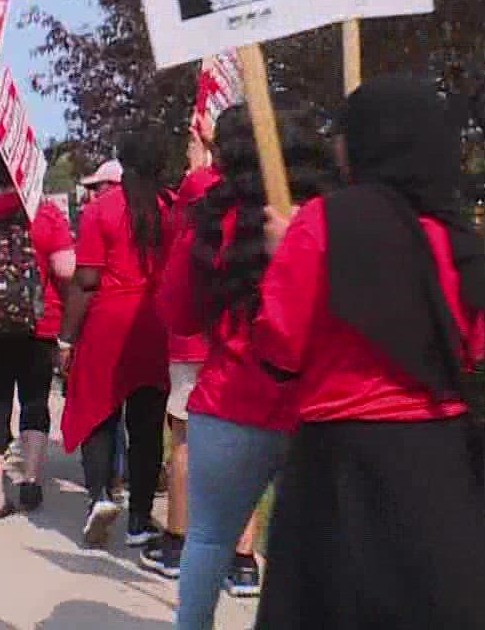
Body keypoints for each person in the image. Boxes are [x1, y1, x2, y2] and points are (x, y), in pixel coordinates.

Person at [251, 76, 485, 630]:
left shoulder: (320, 223)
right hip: (441, 463)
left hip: (341, 464)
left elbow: (279, 346)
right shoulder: (459, 232)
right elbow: (475, 347)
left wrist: (282, 260)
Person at [158, 106, 335, 627]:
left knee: (209, 537)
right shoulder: (329, 217)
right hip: (316, 407)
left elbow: (179, 314)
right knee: (309, 547)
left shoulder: (213, 221)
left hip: (230, 401)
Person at [60, 132, 176, 550]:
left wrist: (66, 339)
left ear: (122, 162)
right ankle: (140, 519)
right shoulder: (174, 209)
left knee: (99, 412)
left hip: (109, 322)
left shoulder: (101, 211)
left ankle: (100, 496)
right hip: (156, 322)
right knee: (147, 425)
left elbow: (86, 280)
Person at [0, 149, 77, 517]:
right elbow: (65, 269)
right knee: (34, 401)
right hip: (38, 325)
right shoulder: (47, 215)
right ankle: (29, 480)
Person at [144, 122, 224, 578]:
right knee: (238, 445)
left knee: (186, 441)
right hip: (240, 343)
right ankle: (242, 558)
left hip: (195, 341)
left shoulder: (198, 195)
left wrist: (201, 163)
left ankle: (177, 538)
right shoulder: (261, 199)